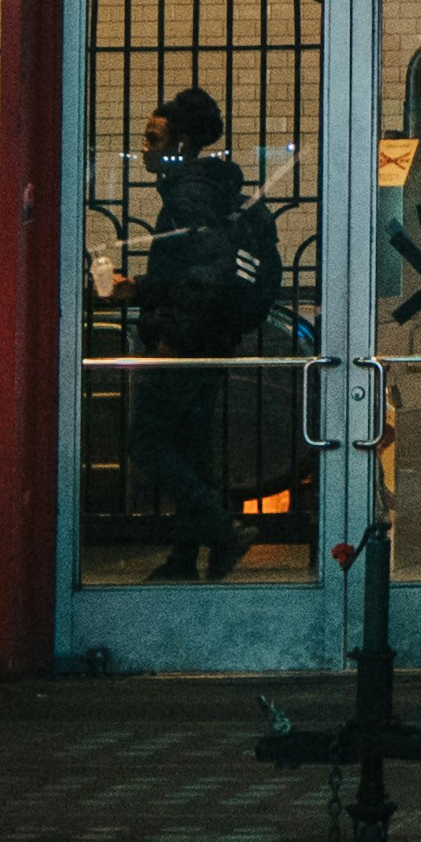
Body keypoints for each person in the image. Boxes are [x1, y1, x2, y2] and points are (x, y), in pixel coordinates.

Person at [125, 86, 276, 583]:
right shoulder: (206, 188)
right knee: (190, 447)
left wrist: (143, 293)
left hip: (187, 340)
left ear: (182, 141)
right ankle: (187, 557)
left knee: (147, 440)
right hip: (212, 338)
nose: (143, 147)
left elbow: (210, 268)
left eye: (153, 137)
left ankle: (223, 531)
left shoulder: (188, 194)